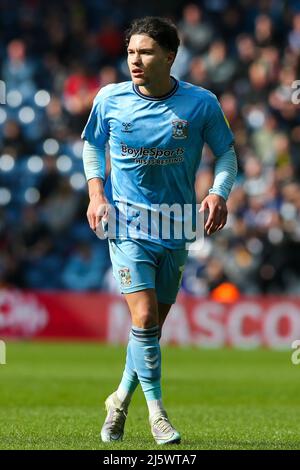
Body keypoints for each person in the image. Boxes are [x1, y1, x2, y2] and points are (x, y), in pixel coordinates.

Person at [81, 16, 237, 445]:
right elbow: (92, 143)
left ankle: (119, 400)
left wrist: (219, 192)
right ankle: (157, 414)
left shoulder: (201, 103)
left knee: (147, 330)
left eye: (145, 52)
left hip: (177, 225)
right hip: (126, 225)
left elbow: (226, 153)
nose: (135, 59)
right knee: (145, 317)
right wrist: (97, 194)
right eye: (131, 51)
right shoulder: (110, 100)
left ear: (170, 56)